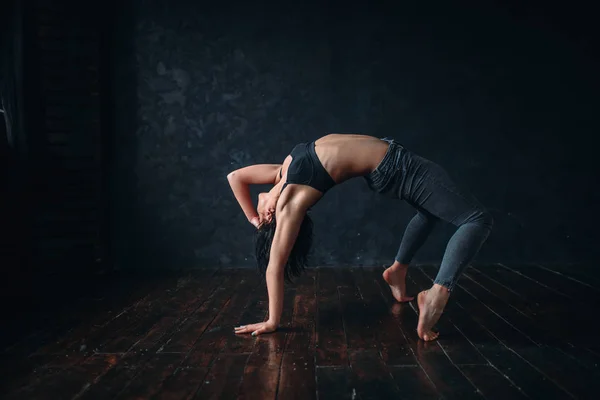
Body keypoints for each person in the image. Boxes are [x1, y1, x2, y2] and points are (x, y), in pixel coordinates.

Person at [227, 134, 493, 341]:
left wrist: (252, 218)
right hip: (395, 166)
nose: (259, 206)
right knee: (477, 220)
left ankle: (397, 270)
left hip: (391, 158)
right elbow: (276, 265)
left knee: (429, 212)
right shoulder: (288, 204)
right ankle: (436, 295)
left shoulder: (282, 173)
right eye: (261, 220)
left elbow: (235, 177)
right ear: (271, 219)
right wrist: (273, 321)